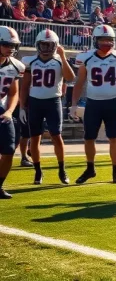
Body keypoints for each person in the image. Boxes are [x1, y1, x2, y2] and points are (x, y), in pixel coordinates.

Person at [71, 25, 116, 185]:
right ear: (95, 40)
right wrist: (73, 104)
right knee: (89, 138)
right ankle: (90, 168)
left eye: (109, 40)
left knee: (114, 137)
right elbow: (79, 82)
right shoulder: (86, 57)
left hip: (112, 102)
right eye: (103, 40)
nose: (106, 43)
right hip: (93, 103)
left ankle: (115, 171)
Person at [19, 29, 75, 186]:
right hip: (35, 102)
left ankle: (62, 169)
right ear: (38, 45)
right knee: (34, 138)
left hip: (53, 102)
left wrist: (63, 56)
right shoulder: (30, 62)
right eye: (43, 45)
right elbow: (24, 86)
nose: (45, 49)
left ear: (55, 46)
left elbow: (70, 78)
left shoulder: (59, 61)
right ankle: (37, 171)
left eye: (49, 45)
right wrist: (22, 106)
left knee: (56, 136)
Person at [0, 27, 24, 199]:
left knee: (8, 150)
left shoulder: (16, 66)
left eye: (13, 45)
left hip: (2, 110)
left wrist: (9, 111)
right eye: (7, 44)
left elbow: (14, 93)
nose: (11, 49)